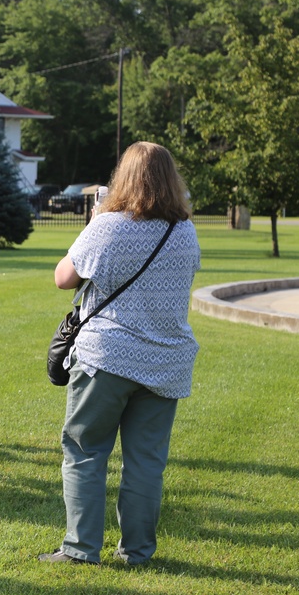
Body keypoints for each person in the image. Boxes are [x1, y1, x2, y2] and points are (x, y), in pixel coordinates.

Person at [38, 141, 200, 565]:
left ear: (123, 177)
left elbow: (63, 278)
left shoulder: (109, 225)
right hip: (166, 361)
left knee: (85, 451)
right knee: (146, 462)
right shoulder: (183, 230)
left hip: (107, 357)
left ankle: (80, 549)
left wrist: (92, 224)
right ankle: (138, 552)